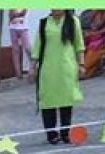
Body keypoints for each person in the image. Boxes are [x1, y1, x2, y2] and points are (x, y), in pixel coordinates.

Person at [32, 9, 85, 144]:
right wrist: (32, 66)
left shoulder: (73, 22)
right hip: (48, 68)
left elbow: (79, 45)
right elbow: (37, 46)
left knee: (66, 100)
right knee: (48, 101)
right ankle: (51, 134)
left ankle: (65, 132)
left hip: (67, 67)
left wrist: (82, 64)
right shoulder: (44, 23)